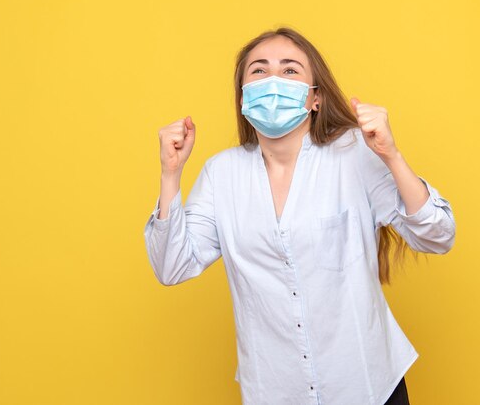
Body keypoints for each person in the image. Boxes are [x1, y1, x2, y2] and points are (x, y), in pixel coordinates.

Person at [143, 27, 456, 405]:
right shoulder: (221, 174)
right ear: (243, 96)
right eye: (259, 71)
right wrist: (170, 174)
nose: (273, 79)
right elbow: (171, 266)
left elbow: (438, 236)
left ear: (315, 98)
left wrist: (392, 155)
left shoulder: (354, 154)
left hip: (367, 386)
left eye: (289, 70)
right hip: (275, 391)